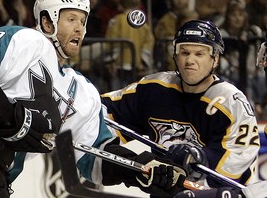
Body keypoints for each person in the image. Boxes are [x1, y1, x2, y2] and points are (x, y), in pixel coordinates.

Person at [0, 0, 187, 197]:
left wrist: (140, 168)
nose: (79, 28)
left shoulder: (82, 91)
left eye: (82, 21)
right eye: (71, 19)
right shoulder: (23, 40)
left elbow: (95, 156)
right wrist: (8, 120)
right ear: (47, 22)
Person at [101, 20, 261, 192]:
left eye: (199, 54)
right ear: (175, 56)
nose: (190, 60)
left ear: (215, 60)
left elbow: (240, 156)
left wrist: (200, 158)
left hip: (216, 194)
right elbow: (105, 110)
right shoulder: (154, 88)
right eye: (184, 52)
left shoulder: (231, 101)